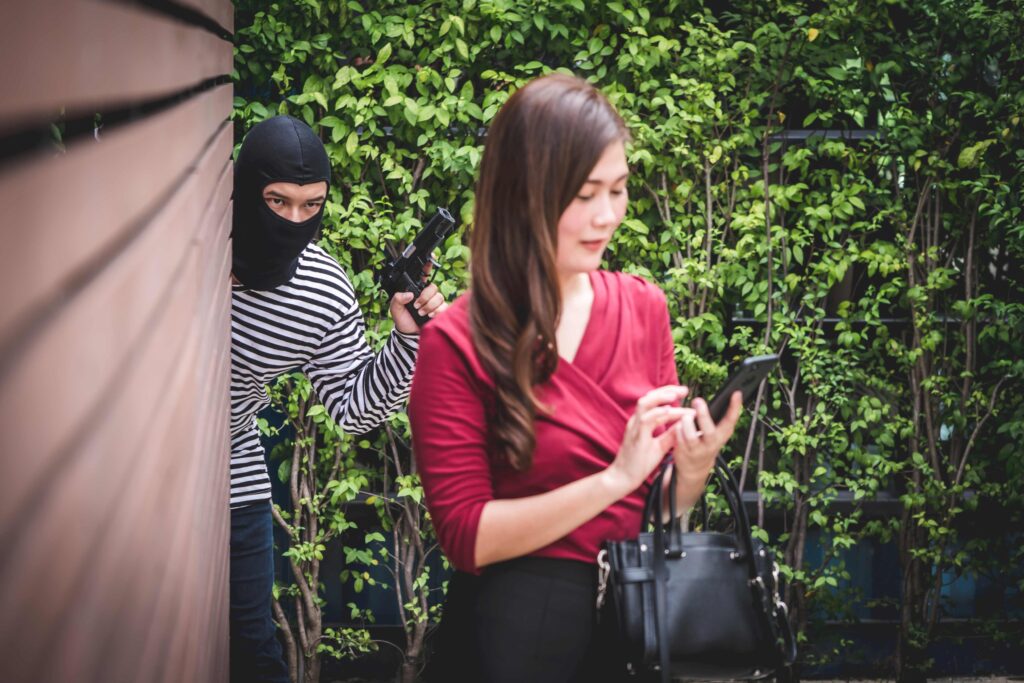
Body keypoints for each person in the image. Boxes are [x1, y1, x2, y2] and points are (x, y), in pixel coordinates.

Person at [408, 73, 743, 683]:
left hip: (630, 626)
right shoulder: (457, 341)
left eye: (617, 191)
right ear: (525, 194)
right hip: (508, 638)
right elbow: (466, 535)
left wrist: (691, 468)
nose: (608, 216)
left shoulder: (645, 309)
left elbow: (658, 510)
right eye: (586, 194)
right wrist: (615, 476)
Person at [228, 115, 446, 682]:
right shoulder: (194, 247)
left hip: (233, 470)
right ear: (246, 189)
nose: (295, 220)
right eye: (276, 202)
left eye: (312, 205)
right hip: (133, 462)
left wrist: (406, 339)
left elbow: (353, 409)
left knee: (252, 649)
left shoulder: (321, 288)